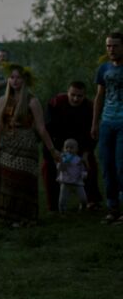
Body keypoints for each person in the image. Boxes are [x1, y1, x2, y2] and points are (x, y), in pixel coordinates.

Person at [0, 65, 58, 227]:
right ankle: (6, 216)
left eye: (18, 77)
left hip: (26, 142)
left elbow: (41, 128)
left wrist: (53, 150)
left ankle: (23, 218)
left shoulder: (32, 101)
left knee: (22, 180)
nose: (14, 81)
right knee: (6, 178)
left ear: (24, 80)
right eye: (12, 77)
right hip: (7, 141)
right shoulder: (2, 100)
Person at [44, 81, 99, 211]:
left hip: (80, 144)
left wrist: (86, 153)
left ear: (84, 95)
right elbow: (47, 129)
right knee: (48, 168)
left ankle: (92, 200)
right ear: (67, 92)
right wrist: (53, 152)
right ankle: (53, 205)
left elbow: (93, 133)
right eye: (73, 94)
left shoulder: (90, 107)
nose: (75, 98)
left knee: (90, 165)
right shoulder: (56, 103)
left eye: (79, 96)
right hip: (58, 144)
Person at [94, 31, 123, 224]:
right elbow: (99, 97)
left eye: (115, 46)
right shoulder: (103, 68)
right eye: (108, 46)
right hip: (106, 122)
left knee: (121, 166)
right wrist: (95, 123)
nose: (111, 49)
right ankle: (112, 208)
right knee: (107, 166)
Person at [56, 139, 89, 212]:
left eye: (71, 147)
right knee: (62, 199)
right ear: (63, 149)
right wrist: (62, 163)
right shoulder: (62, 158)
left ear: (77, 149)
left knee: (83, 198)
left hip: (77, 182)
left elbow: (82, 169)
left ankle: (83, 207)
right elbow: (59, 168)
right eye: (66, 147)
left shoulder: (78, 159)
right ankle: (62, 211)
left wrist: (84, 174)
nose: (69, 149)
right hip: (65, 182)